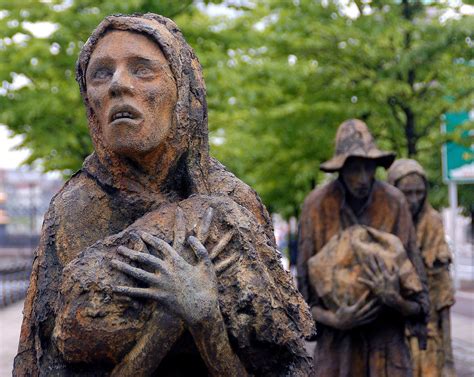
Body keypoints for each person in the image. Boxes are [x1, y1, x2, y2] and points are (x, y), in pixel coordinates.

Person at [13, 13, 314, 376]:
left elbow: (281, 366)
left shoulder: (234, 203)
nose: (118, 85)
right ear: (89, 101)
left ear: (182, 91)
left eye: (142, 69)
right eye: (101, 74)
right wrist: (165, 323)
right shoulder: (75, 211)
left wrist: (207, 323)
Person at [297, 119, 429, 376]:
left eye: (368, 168)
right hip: (338, 350)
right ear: (341, 169)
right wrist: (335, 319)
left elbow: (420, 301)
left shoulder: (394, 202)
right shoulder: (317, 206)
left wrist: (396, 300)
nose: (363, 178)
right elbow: (302, 300)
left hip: (387, 345)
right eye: (354, 169)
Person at [388, 158, 456, 377]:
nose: (414, 200)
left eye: (419, 192)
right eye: (406, 193)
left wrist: (448, 361)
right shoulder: (383, 223)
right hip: (391, 334)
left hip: (427, 335)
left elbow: (443, 297)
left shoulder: (432, 223)